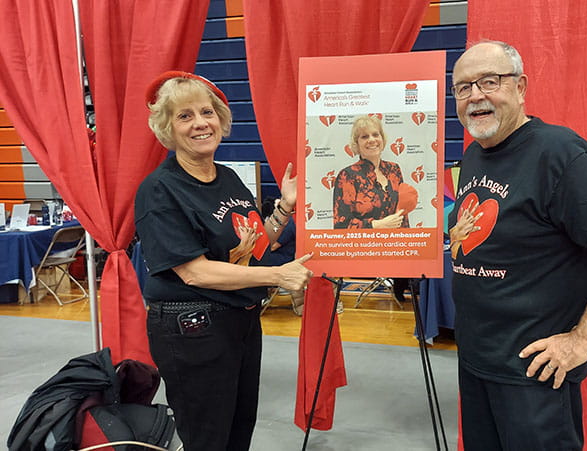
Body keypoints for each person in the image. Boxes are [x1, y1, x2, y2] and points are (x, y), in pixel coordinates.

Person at [448, 41, 587, 450]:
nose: (475, 96)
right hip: (477, 363)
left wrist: (581, 340)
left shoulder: (559, 152)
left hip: (534, 374)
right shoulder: (474, 156)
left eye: (489, 81)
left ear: (520, 86)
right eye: (462, 87)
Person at [134, 71, 313, 451]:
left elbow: (254, 246)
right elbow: (194, 272)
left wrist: (284, 208)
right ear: (167, 128)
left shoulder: (229, 177)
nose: (200, 123)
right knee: (208, 437)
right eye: (184, 116)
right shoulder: (159, 189)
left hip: (242, 320)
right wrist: (279, 275)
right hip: (193, 327)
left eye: (207, 112)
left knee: (238, 429)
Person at [332, 115, 408, 229]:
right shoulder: (347, 176)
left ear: (382, 138)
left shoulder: (394, 170)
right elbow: (341, 226)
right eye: (364, 137)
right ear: (356, 143)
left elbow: (403, 216)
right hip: (364, 245)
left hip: (395, 244)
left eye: (376, 134)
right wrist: (376, 225)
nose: (372, 140)